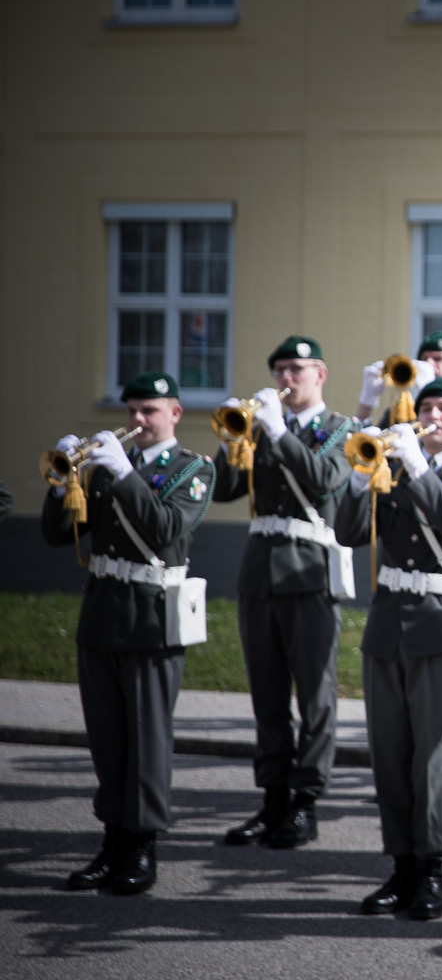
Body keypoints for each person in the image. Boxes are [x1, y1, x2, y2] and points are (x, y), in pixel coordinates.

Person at [41, 371, 214, 895]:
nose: (138, 420)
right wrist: (63, 483)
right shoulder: (105, 468)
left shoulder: (193, 469)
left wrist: (124, 475)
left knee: (146, 737)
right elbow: (58, 534)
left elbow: (165, 530)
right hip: (103, 613)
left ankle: (142, 843)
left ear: (175, 414)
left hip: (152, 619)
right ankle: (112, 839)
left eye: (150, 411)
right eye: (133, 410)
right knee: (108, 737)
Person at [336, 377, 442, 921]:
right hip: (387, 624)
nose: (432, 415)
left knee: (433, 756)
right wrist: (361, 478)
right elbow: (347, 533)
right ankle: (400, 865)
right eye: (426, 406)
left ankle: (431, 870)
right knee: (390, 754)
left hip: (439, 626)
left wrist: (418, 468)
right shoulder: (393, 466)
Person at [216, 336, 356, 849]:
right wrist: (233, 438)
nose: (287, 378)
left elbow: (325, 480)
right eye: (280, 370)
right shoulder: (260, 427)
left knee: (316, 695)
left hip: (310, 573)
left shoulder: (342, 429)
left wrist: (277, 431)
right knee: (267, 692)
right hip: (260, 572)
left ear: (320, 373)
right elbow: (224, 489)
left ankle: (305, 801)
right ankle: (272, 797)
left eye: (298, 368)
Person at [356, 330, 442, 460]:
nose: (429, 364)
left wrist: (429, 390)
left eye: (438, 359)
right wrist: (367, 403)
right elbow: (364, 455)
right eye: (424, 359)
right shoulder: (403, 411)